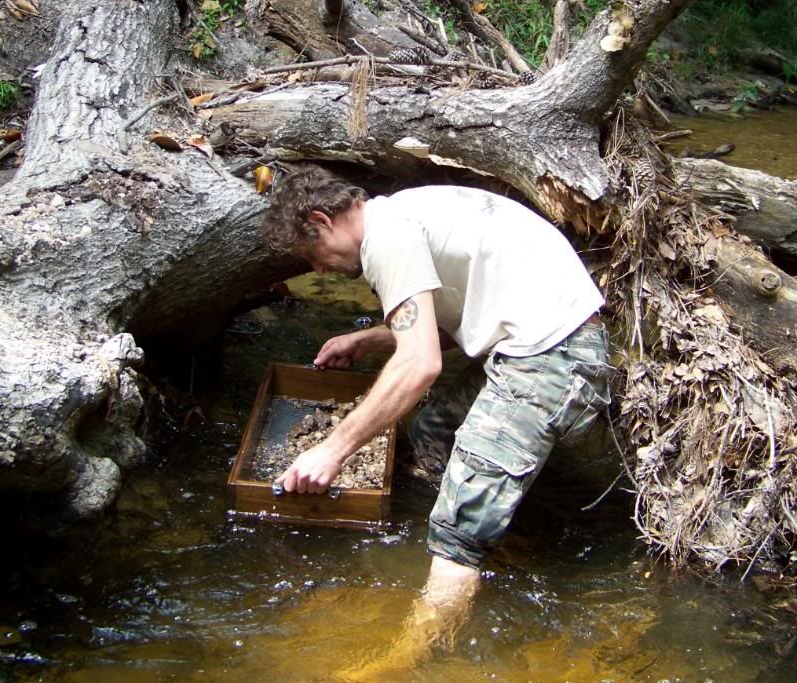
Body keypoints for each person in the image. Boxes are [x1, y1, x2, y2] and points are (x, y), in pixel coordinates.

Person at [261, 165, 615, 677]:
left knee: (454, 529)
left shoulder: (388, 239)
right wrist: (366, 340)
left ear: (322, 220)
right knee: (432, 431)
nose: (318, 271)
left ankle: (404, 656)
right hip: (551, 343)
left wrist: (333, 449)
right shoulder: (403, 214)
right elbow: (450, 324)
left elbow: (421, 362)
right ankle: (493, 527)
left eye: (311, 256)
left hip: (553, 361)